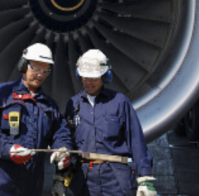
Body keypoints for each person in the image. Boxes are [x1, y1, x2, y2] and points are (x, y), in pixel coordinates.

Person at [0, 42, 72, 196]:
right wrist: (8, 150)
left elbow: (60, 132)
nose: (40, 74)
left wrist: (62, 150)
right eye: (35, 68)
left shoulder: (49, 105)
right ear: (23, 66)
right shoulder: (1, 93)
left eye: (45, 70)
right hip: (0, 180)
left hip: (31, 184)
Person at [64, 50, 157, 196]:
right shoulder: (73, 104)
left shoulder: (119, 102)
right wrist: (60, 170)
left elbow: (136, 140)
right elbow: (66, 139)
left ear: (104, 77)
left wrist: (144, 178)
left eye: (94, 78)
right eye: (85, 77)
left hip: (115, 179)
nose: (89, 82)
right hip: (83, 177)